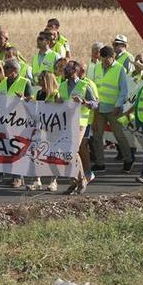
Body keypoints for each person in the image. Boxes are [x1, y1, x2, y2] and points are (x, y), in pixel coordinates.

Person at [58, 61, 99, 195]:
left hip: (81, 122)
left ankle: (80, 180)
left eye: (68, 69)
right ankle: (75, 181)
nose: (65, 71)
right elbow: (63, 102)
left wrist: (84, 102)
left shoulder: (84, 85)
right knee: (68, 152)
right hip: (67, 122)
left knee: (73, 150)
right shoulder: (62, 86)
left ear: (75, 71)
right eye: (65, 69)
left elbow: (96, 104)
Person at [92, 45, 134, 173]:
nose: (104, 63)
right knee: (97, 136)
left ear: (112, 57)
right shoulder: (97, 67)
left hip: (114, 109)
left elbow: (124, 91)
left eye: (106, 60)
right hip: (99, 108)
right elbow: (94, 86)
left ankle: (128, 160)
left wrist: (118, 105)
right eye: (102, 60)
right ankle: (100, 163)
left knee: (119, 135)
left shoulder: (119, 69)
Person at [26, 71, 60, 192]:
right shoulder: (39, 93)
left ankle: (53, 181)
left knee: (52, 154)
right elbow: (35, 109)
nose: (39, 82)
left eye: (41, 79)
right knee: (35, 152)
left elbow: (61, 109)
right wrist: (29, 101)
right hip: (40, 127)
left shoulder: (56, 94)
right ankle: (37, 180)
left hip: (53, 128)